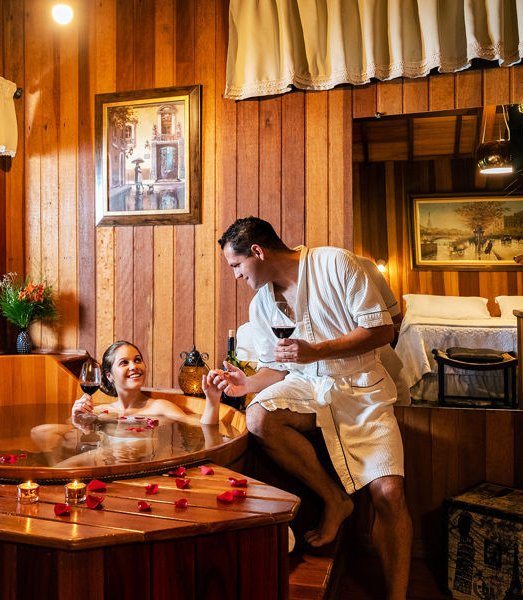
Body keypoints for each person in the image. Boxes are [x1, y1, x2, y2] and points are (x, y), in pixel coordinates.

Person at [210, 217, 412, 600]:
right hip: (306, 385)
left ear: (257, 251)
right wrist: (246, 385)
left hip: (360, 388)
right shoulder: (262, 305)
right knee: (258, 416)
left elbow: (383, 330)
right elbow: (277, 368)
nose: (235, 275)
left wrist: (316, 350)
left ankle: (397, 597)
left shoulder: (336, 264)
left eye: (236, 265)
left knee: (389, 494)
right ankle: (335, 500)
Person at [31, 341, 222, 466]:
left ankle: (59, 475)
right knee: (41, 431)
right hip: (104, 459)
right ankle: (61, 473)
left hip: (134, 458)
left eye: (137, 360)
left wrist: (212, 400)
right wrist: (77, 419)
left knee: (129, 445)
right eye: (124, 363)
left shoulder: (159, 407)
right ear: (109, 376)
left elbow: (204, 428)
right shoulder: (101, 410)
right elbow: (72, 432)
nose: (134, 366)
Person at [354, 255, 411, 406]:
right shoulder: (364, 263)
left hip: (346, 370)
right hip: (381, 358)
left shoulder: (305, 274)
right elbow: (396, 317)